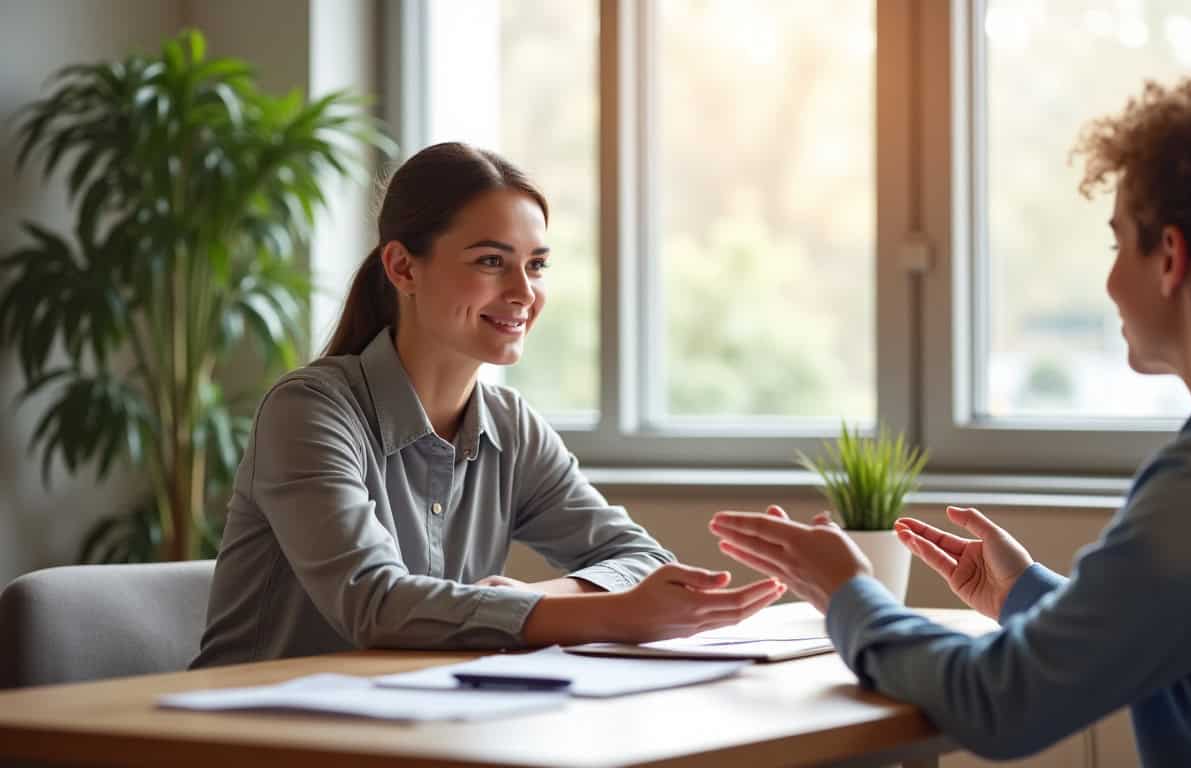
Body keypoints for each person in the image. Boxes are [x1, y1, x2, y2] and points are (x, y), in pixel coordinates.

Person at [709, 70, 1191, 765]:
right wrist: (1027, 595)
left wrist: (848, 595)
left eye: (1115, 243)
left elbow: (999, 701)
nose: (1107, 282)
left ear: (1170, 257)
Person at [194, 142, 783, 667]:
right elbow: (374, 603)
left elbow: (641, 557)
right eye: (490, 262)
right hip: (246, 738)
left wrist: (539, 600)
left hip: (405, 727)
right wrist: (609, 613)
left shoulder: (510, 426)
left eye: (537, 265)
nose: (524, 293)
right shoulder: (311, 411)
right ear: (402, 267)